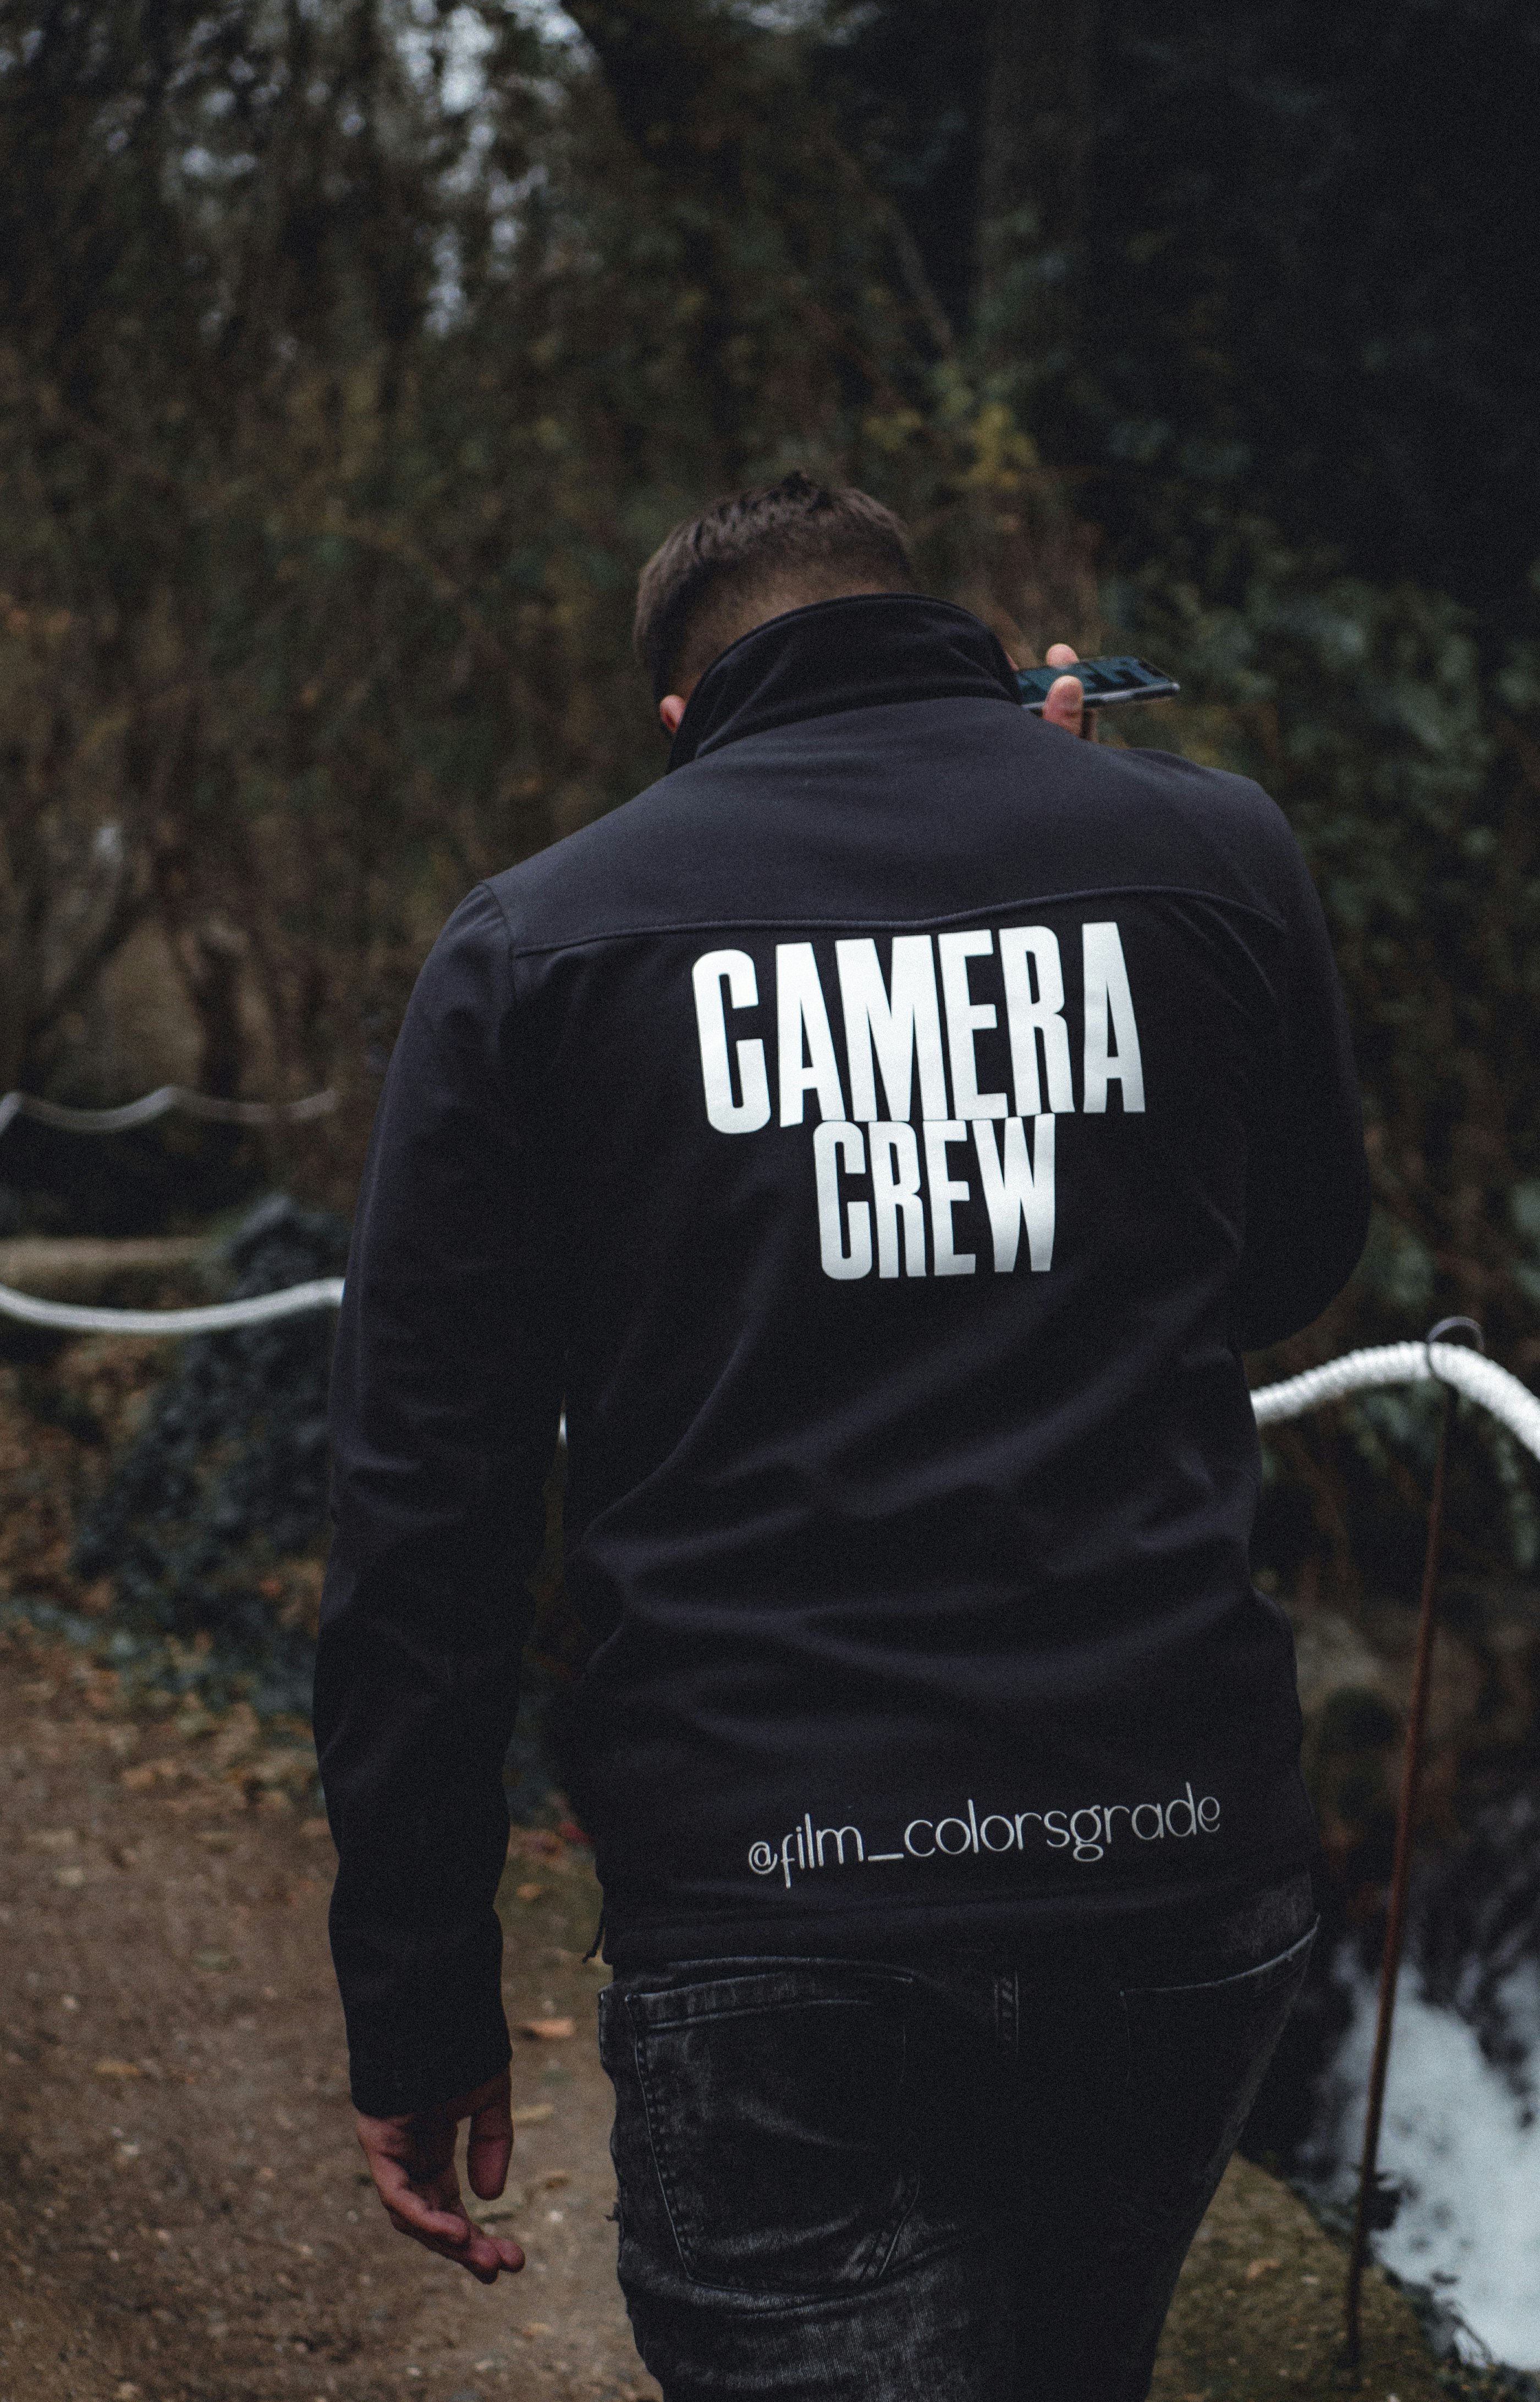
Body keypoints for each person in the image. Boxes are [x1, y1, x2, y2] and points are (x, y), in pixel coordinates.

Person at [315, 469, 1370, 2401]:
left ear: (680, 717)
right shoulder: (1216, 858)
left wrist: (419, 2002)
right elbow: (1283, 1258)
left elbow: (423, 1519)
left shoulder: (536, 949)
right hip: (1172, 1876)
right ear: (955, 645)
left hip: (773, 1903)